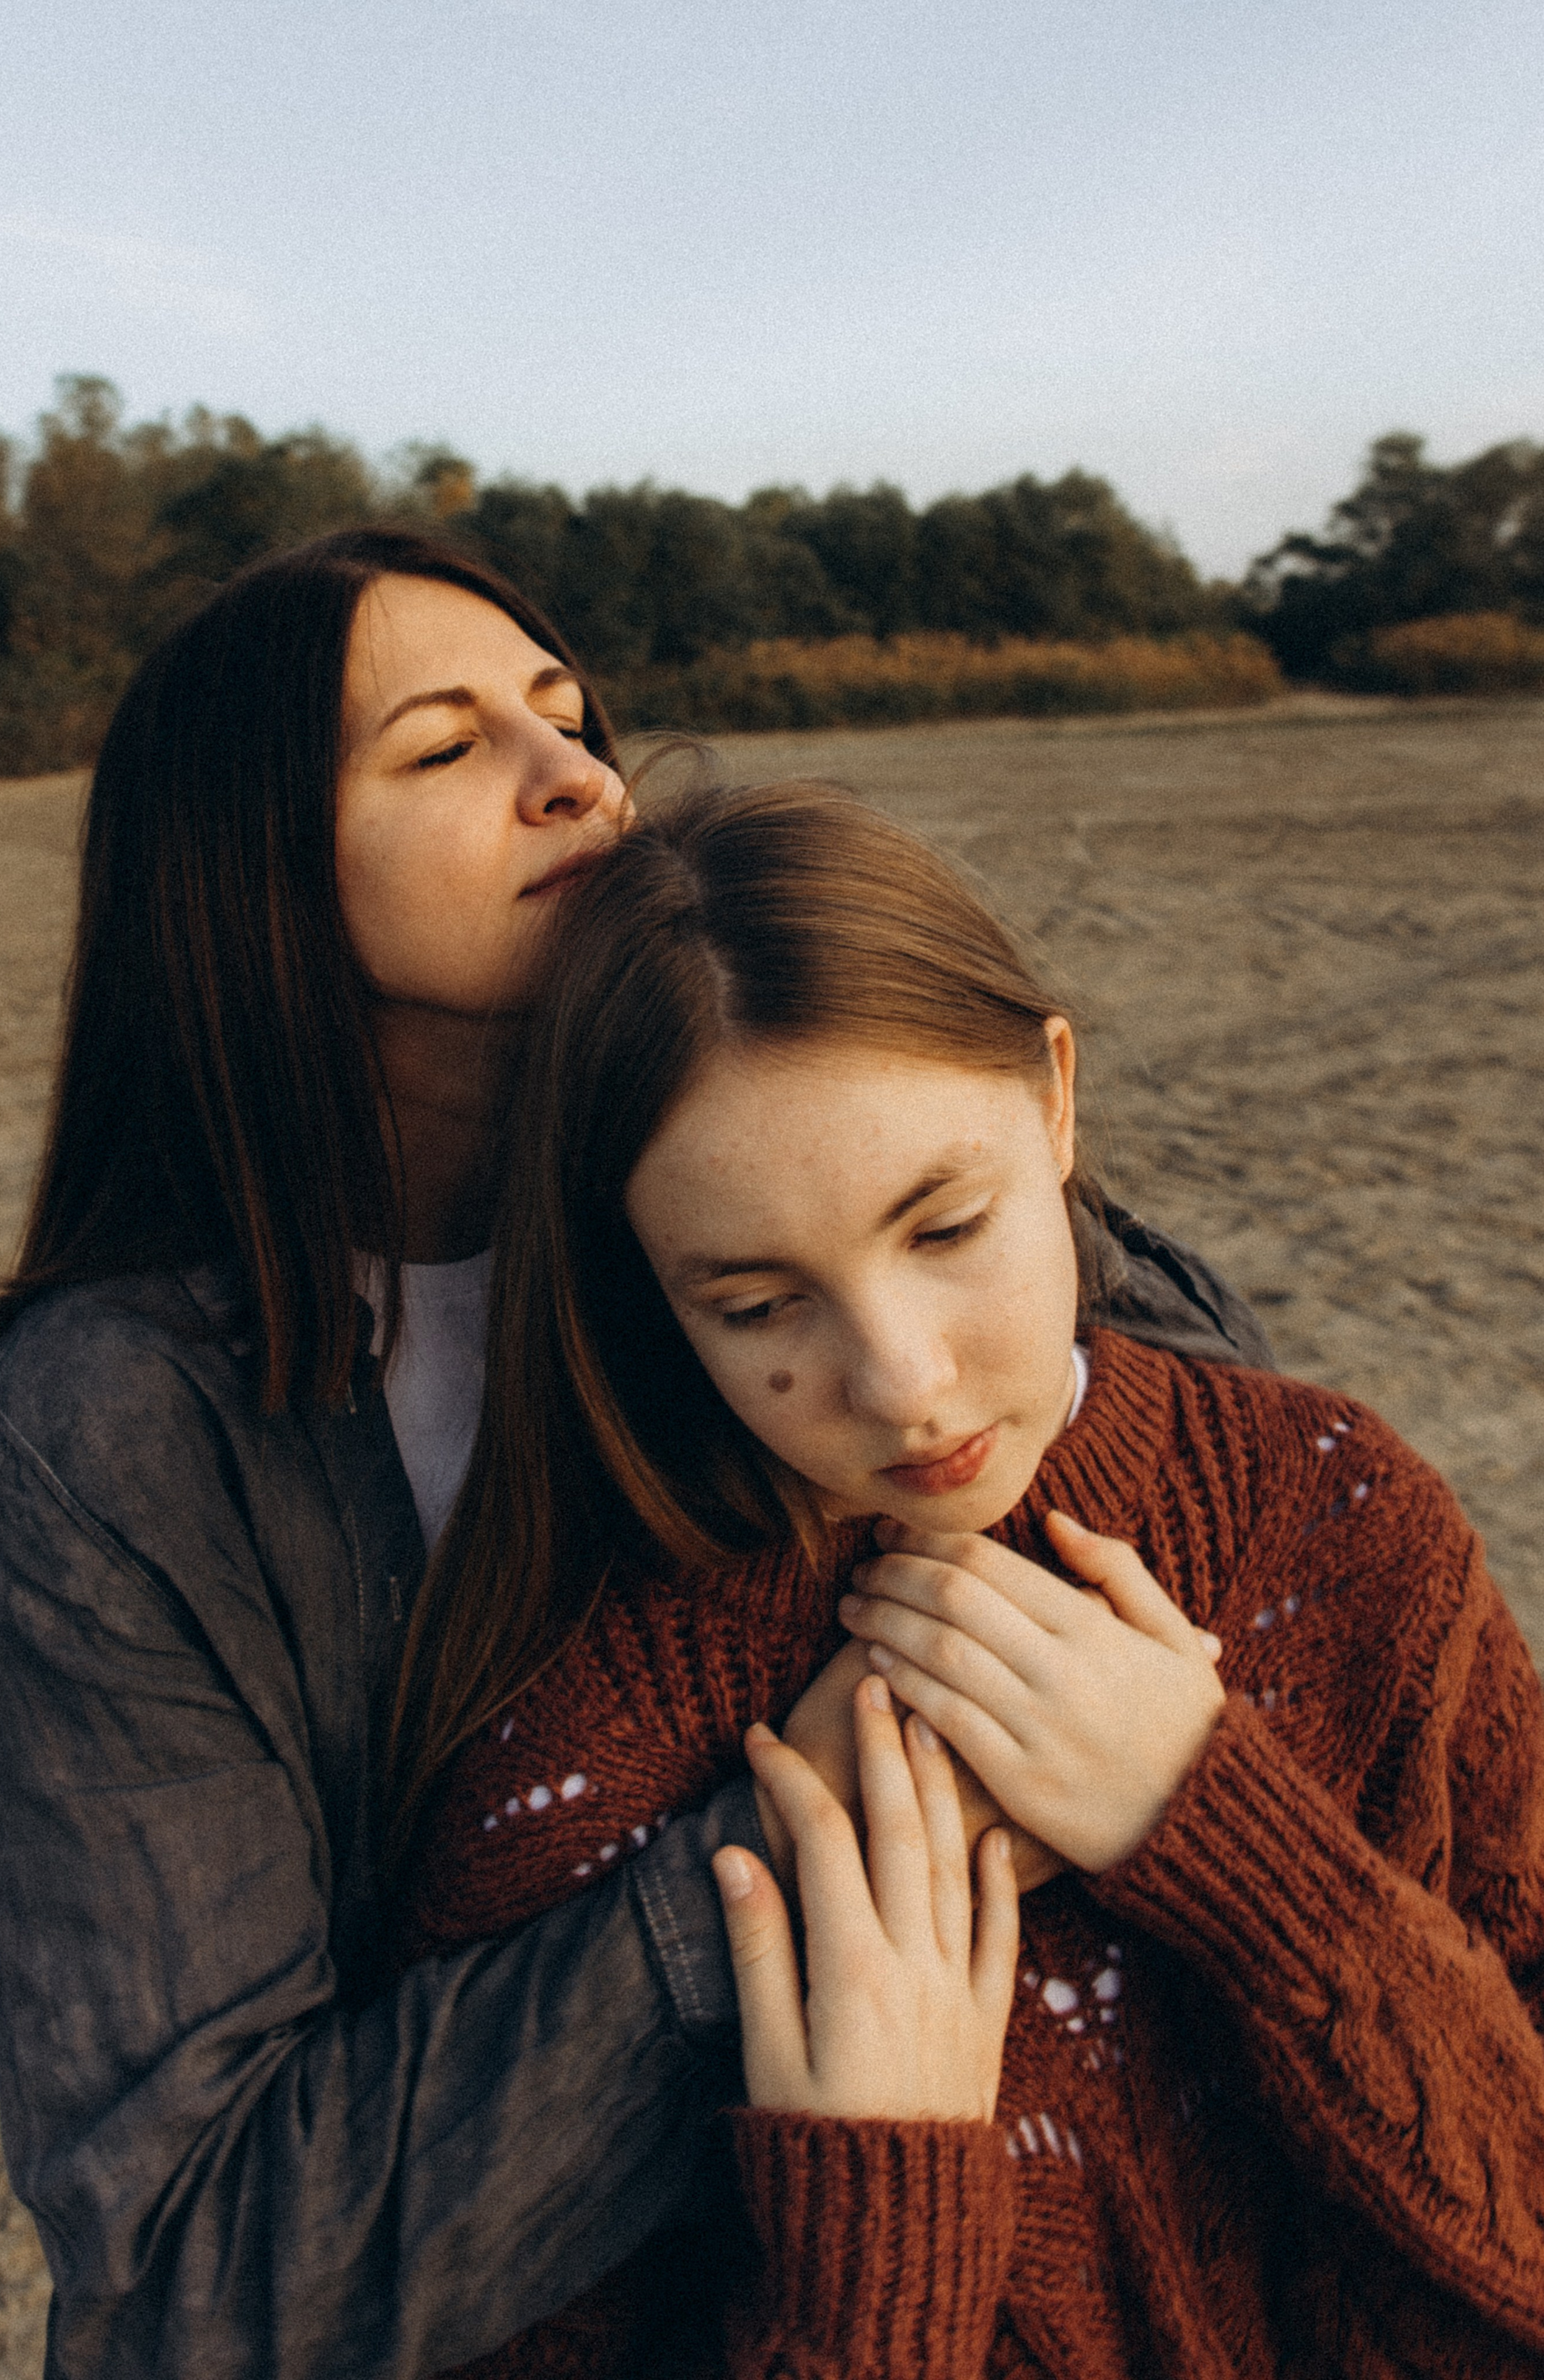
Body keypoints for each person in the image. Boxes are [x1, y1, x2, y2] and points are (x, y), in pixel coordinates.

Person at [0, 530, 1270, 2380]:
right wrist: (790, 1856)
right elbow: (195, 2270)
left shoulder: (800, 1155)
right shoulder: (120, 1435)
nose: (576, 777)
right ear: (246, 878)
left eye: (568, 718)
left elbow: (1232, 1513)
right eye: (443, 748)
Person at [399, 779, 1544, 2378]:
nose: (905, 1384)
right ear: (643, 1285)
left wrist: (1233, 1842)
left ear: (1056, 1100)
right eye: (755, 1304)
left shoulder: (1347, 1529)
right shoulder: (582, 1768)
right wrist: (879, 2212)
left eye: (945, 1227)